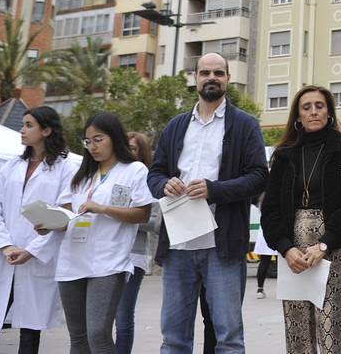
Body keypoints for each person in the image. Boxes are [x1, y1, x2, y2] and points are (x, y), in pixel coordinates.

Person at [148, 53, 268, 354]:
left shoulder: (244, 125)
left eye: (218, 72)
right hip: (178, 247)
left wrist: (215, 190)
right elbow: (154, 174)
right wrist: (165, 184)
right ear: (195, 78)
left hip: (222, 246)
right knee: (173, 337)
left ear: (228, 79)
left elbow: (259, 177)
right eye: (205, 72)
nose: (211, 77)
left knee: (228, 338)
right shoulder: (176, 126)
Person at [261, 85, 341, 353]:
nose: (313, 111)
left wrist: (324, 245)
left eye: (319, 106)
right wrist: (285, 248)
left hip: (331, 250)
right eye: (306, 107)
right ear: (297, 116)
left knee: (330, 324)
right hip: (292, 253)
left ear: (329, 112)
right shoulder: (284, 155)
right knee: (296, 328)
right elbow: (270, 209)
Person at [0, 106, 78, 354]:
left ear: (47, 130)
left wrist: (31, 250)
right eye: (23, 124)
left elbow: (64, 214)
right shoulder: (11, 166)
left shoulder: (66, 167)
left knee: (30, 328)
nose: (22, 130)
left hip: (38, 257)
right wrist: (5, 245)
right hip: (6, 255)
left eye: (29, 125)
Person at [54, 112, 155, 354]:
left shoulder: (134, 170)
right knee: (78, 338)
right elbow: (65, 213)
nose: (92, 146)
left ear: (114, 137)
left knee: (98, 334)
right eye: (88, 141)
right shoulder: (81, 174)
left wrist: (103, 208)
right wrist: (50, 223)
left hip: (108, 262)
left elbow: (142, 214)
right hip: (71, 261)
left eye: (98, 139)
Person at [115, 131, 161, 354]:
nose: (127, 152)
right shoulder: (114, 177)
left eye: (133, 148)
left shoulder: (149, 180)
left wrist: (125, 215)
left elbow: (155, 223)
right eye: (125, 147)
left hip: (133, 256)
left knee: (123, 317)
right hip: (107, 254)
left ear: (142, 153)